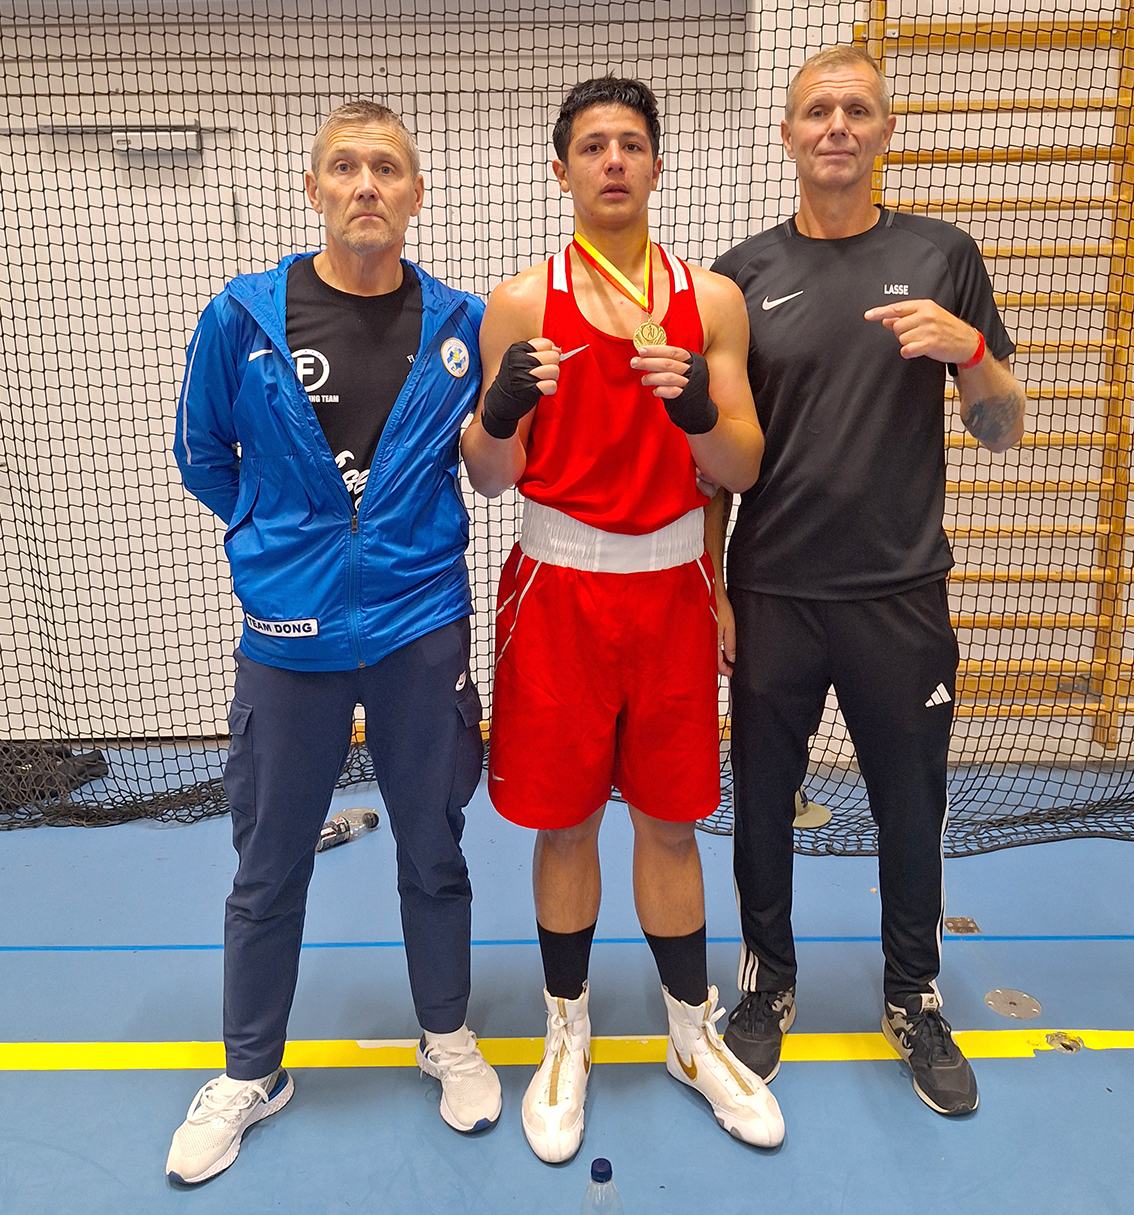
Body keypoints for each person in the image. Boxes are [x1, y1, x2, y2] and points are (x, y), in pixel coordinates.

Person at [167, 101, 499, 1184]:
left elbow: (487, 463)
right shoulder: (242, 317)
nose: (366, 185)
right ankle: (251, 1071)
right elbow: (202, 452)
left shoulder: (462, 325)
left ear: (416, 193)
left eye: (387, 168)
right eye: (345, 167)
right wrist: (276, 538)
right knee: (267, 863)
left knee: (433, 847)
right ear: (313, 188)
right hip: (288, 637)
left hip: (418, 626)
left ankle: (446, 1035)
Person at [461, 76, 784, 1162]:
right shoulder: (519, 302)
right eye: (593, 145)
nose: (613, 160)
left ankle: (692, 1035)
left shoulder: (712, 300)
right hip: (556, 588)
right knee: (563, 823)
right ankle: (567, 1033)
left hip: (672, 589)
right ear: (560, 170)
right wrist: (501, 409)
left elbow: (743, 461)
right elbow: (490, 475)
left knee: (668, 821)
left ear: (655, 162)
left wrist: (695, 407)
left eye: (631, 143)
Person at [710, 45, 1027, 1116]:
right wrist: (712, 586)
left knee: (910, 804)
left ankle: (913, 997)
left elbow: (1003, 429)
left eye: (856, 109)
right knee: (762, 800)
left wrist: (969, 348)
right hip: (773, 592)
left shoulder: (943, 256)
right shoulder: (740, 276)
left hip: (899, 594)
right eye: (817, 111)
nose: (836, 126)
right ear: (788, 135)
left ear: (885, 130)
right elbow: (715, 454)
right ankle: (767, 985)